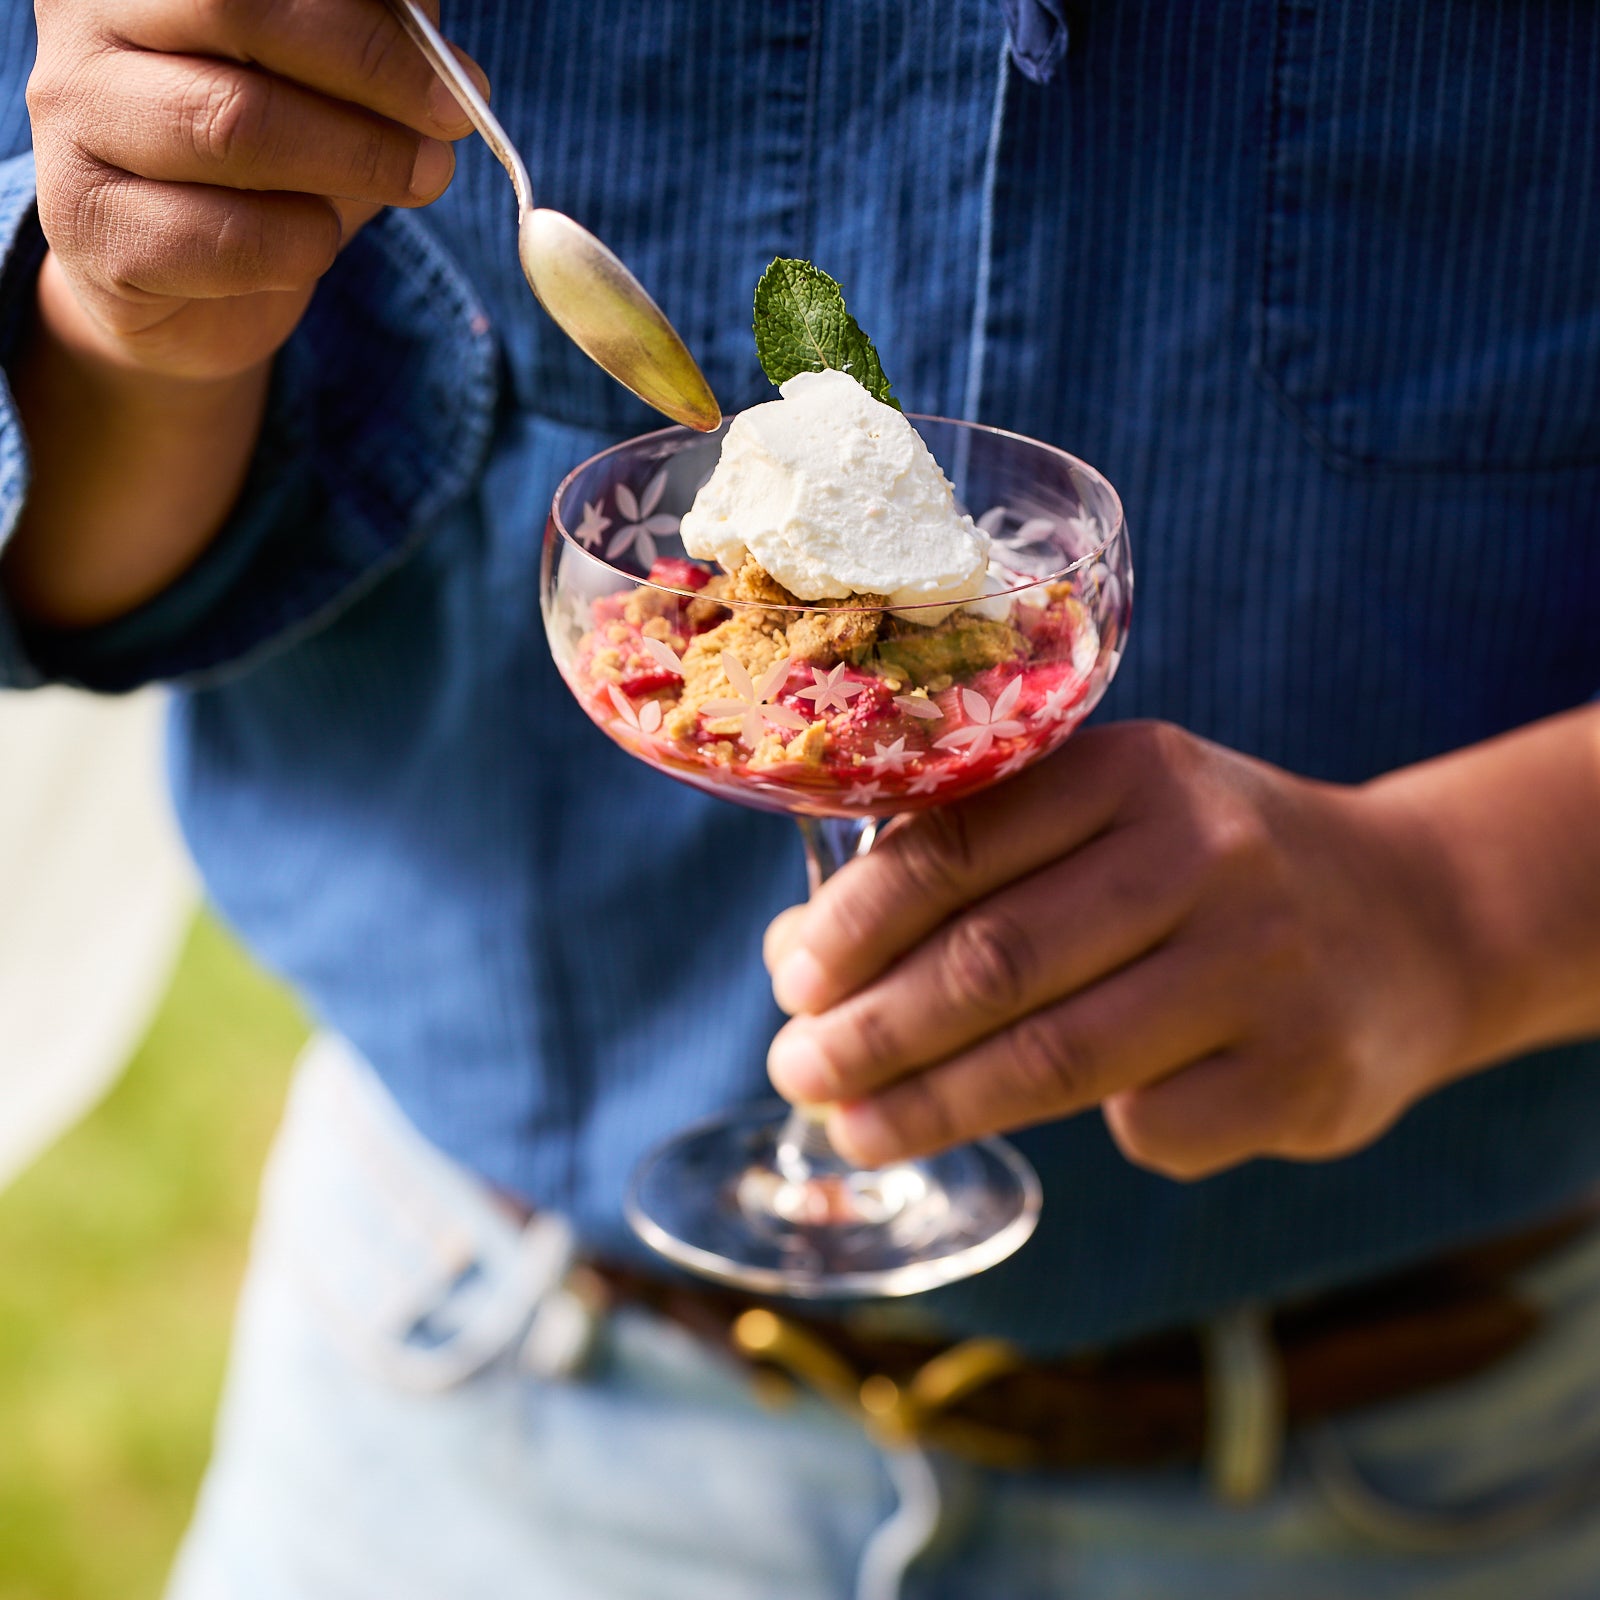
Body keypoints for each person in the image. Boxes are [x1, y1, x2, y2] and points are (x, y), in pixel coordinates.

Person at [3, 1, 1600, 1595]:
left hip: (1431, 1464)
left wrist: (1463, 904)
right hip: (472, 1388)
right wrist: (128, 317)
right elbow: (80, 566)